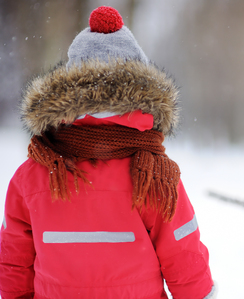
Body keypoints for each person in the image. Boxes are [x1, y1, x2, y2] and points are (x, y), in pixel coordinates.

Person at [0, 6, 216, 299]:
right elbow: (183, 253)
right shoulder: (153, 173)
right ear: (143, 94)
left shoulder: (34, 172)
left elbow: (14, 260)